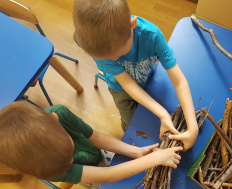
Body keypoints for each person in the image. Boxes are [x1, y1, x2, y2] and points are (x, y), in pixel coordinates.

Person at [73, 0, 198, 152]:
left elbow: (179, 81)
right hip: (121, 90)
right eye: (109, 57)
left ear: (132, 24)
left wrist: (193, 127)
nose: (113, 59)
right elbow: (129, 86)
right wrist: (163, 114)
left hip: (148, 79)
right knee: (131, 125)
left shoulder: (152, 36)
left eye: (117, 53)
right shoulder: (105, 54)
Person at [0, 101, 182, 184]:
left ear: (55, 119)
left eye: (69, 156)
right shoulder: (47, 169)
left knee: (103, 157)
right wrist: (154, 159)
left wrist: (135, 152)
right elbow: (107, 176)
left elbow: (97, 138)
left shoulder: (60, 113)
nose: (71, 161)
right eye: (66, 163)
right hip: (88, 174)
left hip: (96, 151)